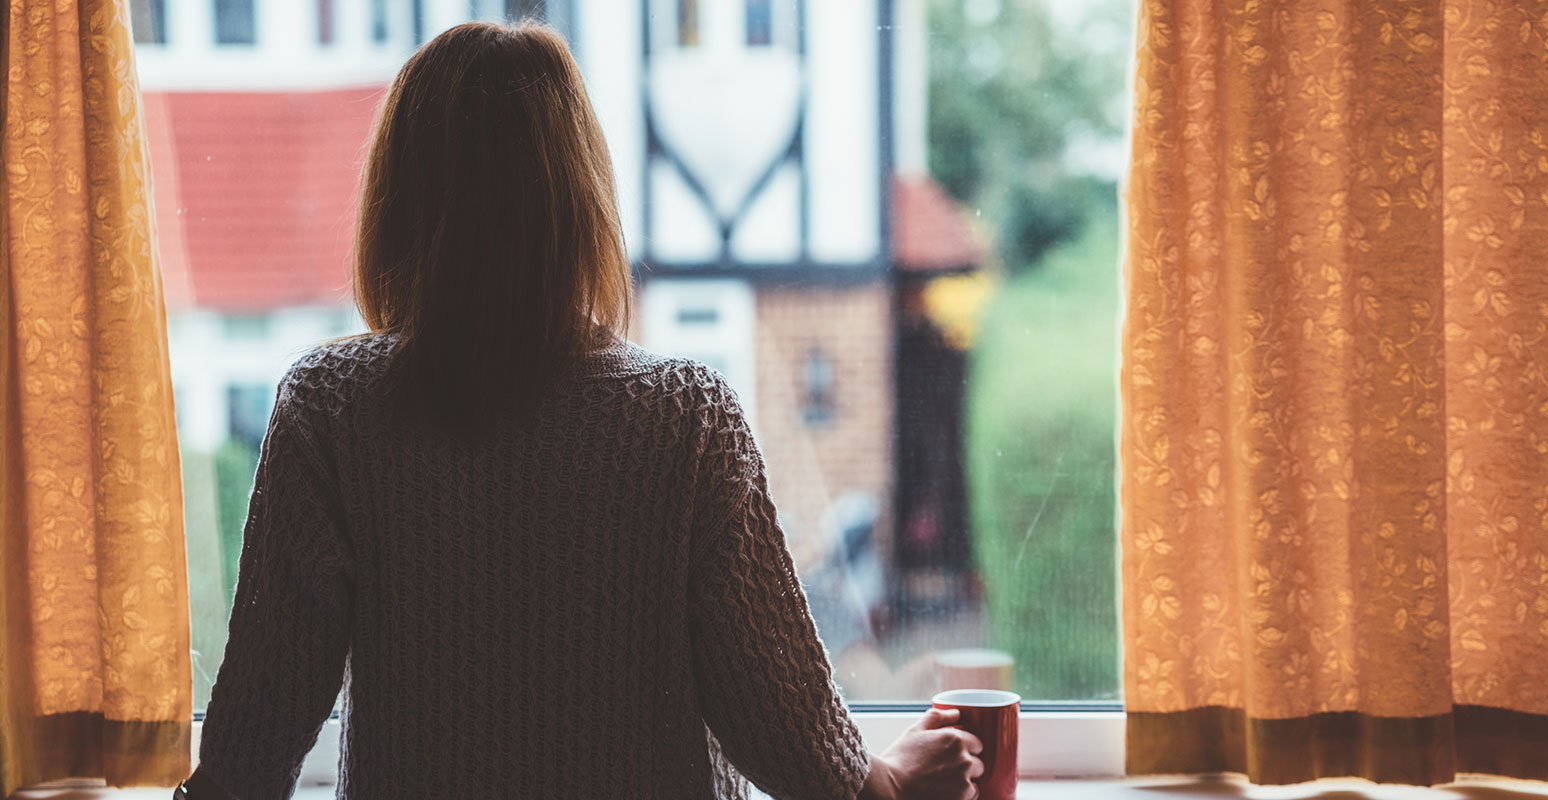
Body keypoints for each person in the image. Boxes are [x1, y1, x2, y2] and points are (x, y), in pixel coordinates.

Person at [174, 21, 985, 800]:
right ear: (582, 199)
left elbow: (256, 728)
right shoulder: (687, 418)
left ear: (397, 198)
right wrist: (886, 781)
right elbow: (780, 719)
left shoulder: (332, 407)